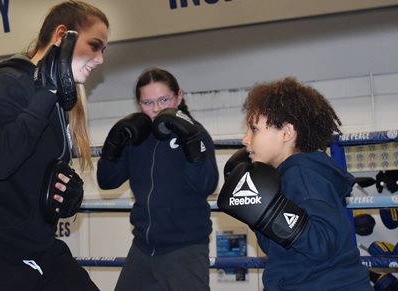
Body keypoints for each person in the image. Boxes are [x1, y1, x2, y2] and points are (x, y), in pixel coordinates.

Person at [0, 1, 109, 291]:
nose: (101, 59)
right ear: (62, 37)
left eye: (104, 50)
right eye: (94, 46)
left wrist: (65, 190)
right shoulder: (4, 84)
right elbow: (1, 161)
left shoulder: (57, 102)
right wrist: (48, 93)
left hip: (34, 247)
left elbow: (34, 165)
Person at [218, 77, 372, 290]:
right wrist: (258, 215)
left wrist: (272, 213)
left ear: (287, 133)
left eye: (254, 130)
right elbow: (277, 248)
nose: (245, 139)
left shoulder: (302, 174)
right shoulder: (281, 177)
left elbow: (322, 243)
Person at [97, 68, 219, 291]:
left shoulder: (195, 134)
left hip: (185, 249)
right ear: (138, 104)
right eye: (147, 102)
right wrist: (112, 147)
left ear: (179, 96)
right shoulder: (136, 137)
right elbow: (107, 181)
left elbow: (207, 185)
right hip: (142, 247)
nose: (156, 109)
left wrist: (192, 146)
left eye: (164, 100)